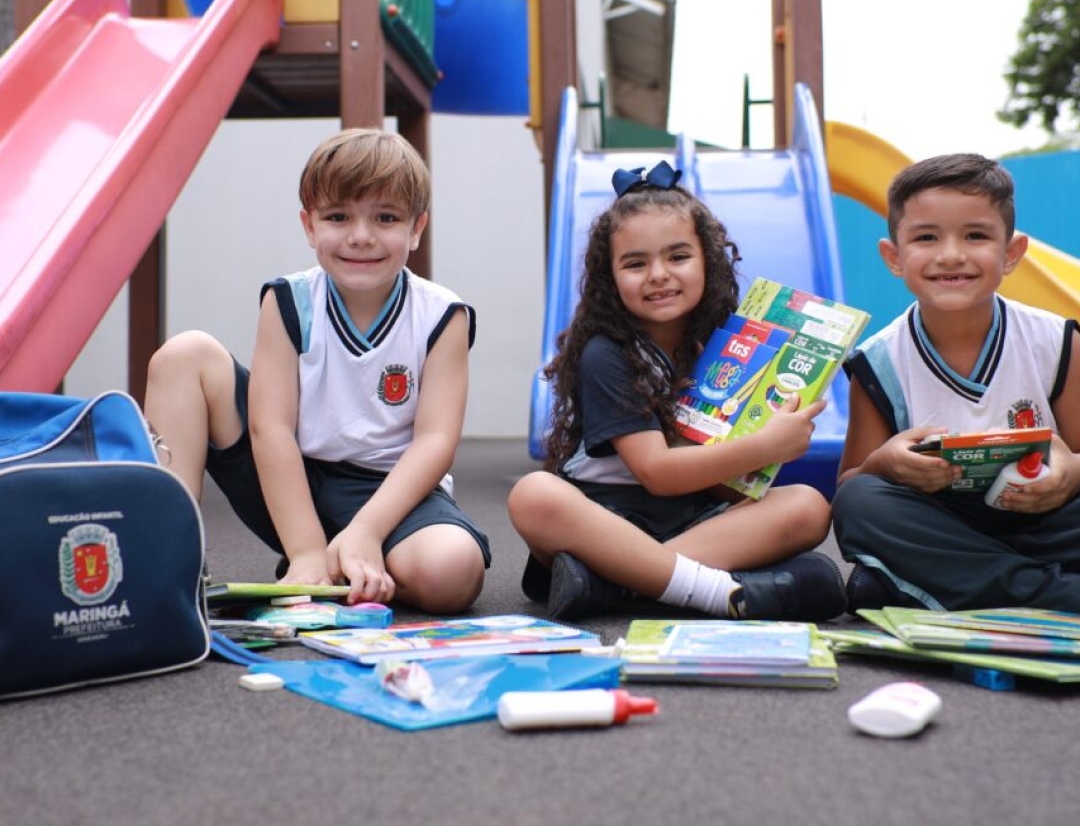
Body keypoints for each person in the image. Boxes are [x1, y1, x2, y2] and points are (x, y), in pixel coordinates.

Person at [144, 129, 489, 613]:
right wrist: (303, 548)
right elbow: (271, 429)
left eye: (385, 217)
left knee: (452, 572)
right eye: (338, 216)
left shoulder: (441, 314)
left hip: (389, 489)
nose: (361, 235)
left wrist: (368, 529)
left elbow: (435, 441)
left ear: (417, 228)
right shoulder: (288, 300)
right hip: (291, 479)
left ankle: (352, 560)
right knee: (184, 356)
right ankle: (163, 565)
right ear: (309, 226)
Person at [508, 162, 847, 622]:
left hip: (691, 519)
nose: (658, 274)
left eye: (678, 257)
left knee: (808, 506)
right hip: (604, 518)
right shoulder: (607, 352)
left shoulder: (722, 346)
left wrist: (763, 458)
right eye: (635, 263)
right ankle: (710, 590)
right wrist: (761, 445)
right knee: (534, 495)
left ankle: (615, 583)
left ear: (708, 260)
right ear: (610, 277)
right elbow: (657, 473)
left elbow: (715, 483)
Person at [832, 152, 1080, 612]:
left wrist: (1068, 476)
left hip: (1047, 519)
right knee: (862, 504)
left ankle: (924, 586)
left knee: (879, 582)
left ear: (1011, 253)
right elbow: (852, 483)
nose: (951, 255)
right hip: (945, 525)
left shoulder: (1057, 340)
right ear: (894, 256)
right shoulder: (879, 360)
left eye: (976, 236)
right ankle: (1056, 594)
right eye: (926, 237)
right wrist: (884, 463)